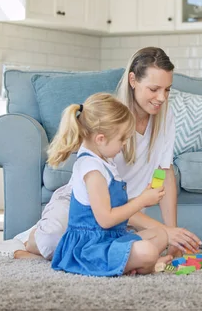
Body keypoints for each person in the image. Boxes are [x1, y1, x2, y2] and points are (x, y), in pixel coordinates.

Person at [0, 47, 201, 261]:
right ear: (133, 81)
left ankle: (36, 252)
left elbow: (163, 172)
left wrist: (172, 234)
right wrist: (164, 230)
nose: (162, 98)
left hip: (120, 215)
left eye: (167, 89)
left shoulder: (165, 118)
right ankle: (19, 247)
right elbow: (109, 204)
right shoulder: (112, 124)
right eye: (154, 89)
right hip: (85, 207)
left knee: (137, 246)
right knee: (58, 242)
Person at [48, 93, 170, 276]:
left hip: (110, 238)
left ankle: (132, 264)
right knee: (148, 252)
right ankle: (146, 264)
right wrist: (141, 202)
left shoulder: (104, 161)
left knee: (160, 235)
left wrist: (143, 197)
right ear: (100, 139)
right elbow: (106, 219)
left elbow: (114, 205)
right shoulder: (93, 170)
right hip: (91, 247)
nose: (124, 144)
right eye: (122, 139)